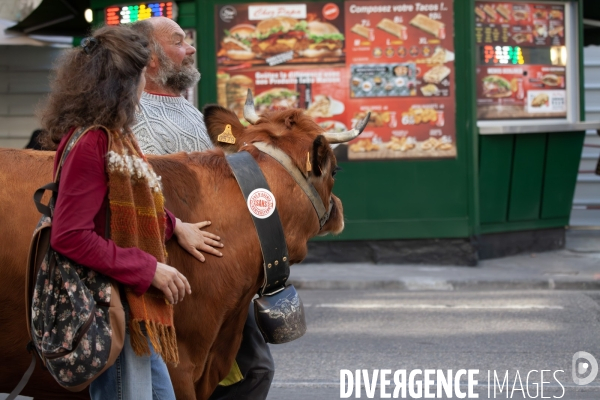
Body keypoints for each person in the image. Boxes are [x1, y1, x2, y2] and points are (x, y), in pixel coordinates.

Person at [39, 24, 223, 400]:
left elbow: (131, 202)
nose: (144, 86)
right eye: (140, 75)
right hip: (110, 306)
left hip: (130, 307)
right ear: (123, 82)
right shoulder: (93, 140)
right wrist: (148, 268)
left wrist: (173, 225)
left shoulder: (111, 133)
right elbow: (70, 235)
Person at [131, 17, 275, 400]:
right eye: (179, 41)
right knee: (192, 375)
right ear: (151, 59)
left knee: (253, 369)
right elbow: (133, 188)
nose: (190, 48)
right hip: (176, 266)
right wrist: (175, 225)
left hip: (218, 264)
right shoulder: (130, 111)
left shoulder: (189, 109)